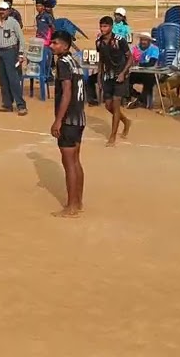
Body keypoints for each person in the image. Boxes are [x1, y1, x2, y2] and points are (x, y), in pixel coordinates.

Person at [49, 30, 85, 216]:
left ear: (64, 46)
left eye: (55, 43)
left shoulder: (63, 62)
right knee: (76, 161)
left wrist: (58, 121)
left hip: (68, 119)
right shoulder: (75, 61)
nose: (51, 46)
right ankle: (77, 202)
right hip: (79, 117)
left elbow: (67, 92)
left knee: (69, 163)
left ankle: (71, 207)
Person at [94, 16, 133, 146]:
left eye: (105, 26)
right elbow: (101, 60)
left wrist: (122, 73)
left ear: (111, 27)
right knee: (108, 105)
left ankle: (112, 136)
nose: (102, 29)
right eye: (101, 26)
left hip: (120, 76)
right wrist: (99, 76)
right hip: (108, 76)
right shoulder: (99, 42)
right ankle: (126, 121)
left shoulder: (120, 40)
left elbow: (130, 58)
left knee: (116, 106)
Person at [0, 1, 27, 116]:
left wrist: (21, 54)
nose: (1, 12)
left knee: (13, 79)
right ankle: (7, 104)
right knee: (3, 79)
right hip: (0, 52)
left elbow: (21, 39)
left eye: (3, 10)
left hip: (11, 52)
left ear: (8, 11)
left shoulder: (13, 22)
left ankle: (21, 105)